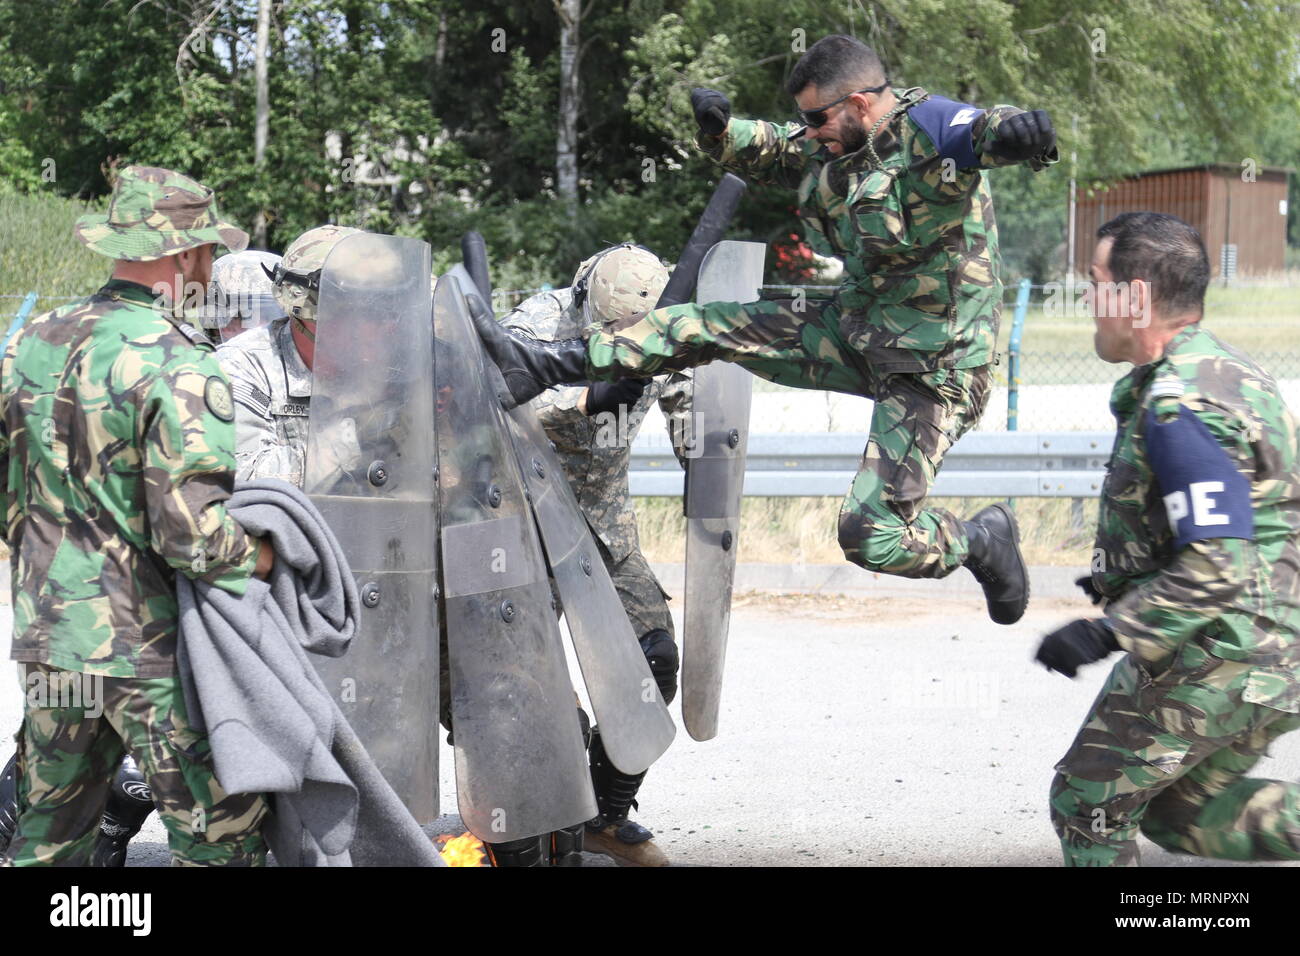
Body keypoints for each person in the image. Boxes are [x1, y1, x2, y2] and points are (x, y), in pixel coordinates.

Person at [470, 34, 1059, 626]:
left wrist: (1022, 133)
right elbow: (775, 147)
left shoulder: (932, 131)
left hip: (936, 370)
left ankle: (982, 540)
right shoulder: (834, 142)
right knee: (705, 325)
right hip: (854, 334)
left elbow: (984, 130)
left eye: (816, 119)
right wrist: (720, 130)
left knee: (870, 535)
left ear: (859, 104)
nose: (810, 132)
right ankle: (547, 363)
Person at [0, 164, 274, 867]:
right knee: (221, 837)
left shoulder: (30, 343)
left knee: (47, 836)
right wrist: (270, 555)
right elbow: (193, 538)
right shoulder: (181, 363)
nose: (210, 266)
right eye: (207, 250)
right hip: (145, 649)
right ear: (185, 254)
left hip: (51, 636)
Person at [1038, 212, 1300, 866]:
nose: (1086, 300)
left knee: (1088, 801)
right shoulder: (1224, 370)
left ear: (1134, 298)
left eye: (1094, 282)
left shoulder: (1181, 404)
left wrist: (1109, 631)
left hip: (1232, 646)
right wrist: (1126, 569)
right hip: (1275, 645)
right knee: (1181, 811)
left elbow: (1218, 561)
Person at [500, 243, 690, 866]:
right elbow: (492, 394)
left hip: (605, 526)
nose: (623, 341)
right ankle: (529, 826)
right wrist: (585, 397)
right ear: (586, 301)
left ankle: (604, 819)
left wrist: (701, 453)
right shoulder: (537, 321)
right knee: (531, 691)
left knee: (653, 665)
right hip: (523, 524)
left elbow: (690, 399)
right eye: (610, 330)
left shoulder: (669, 326)